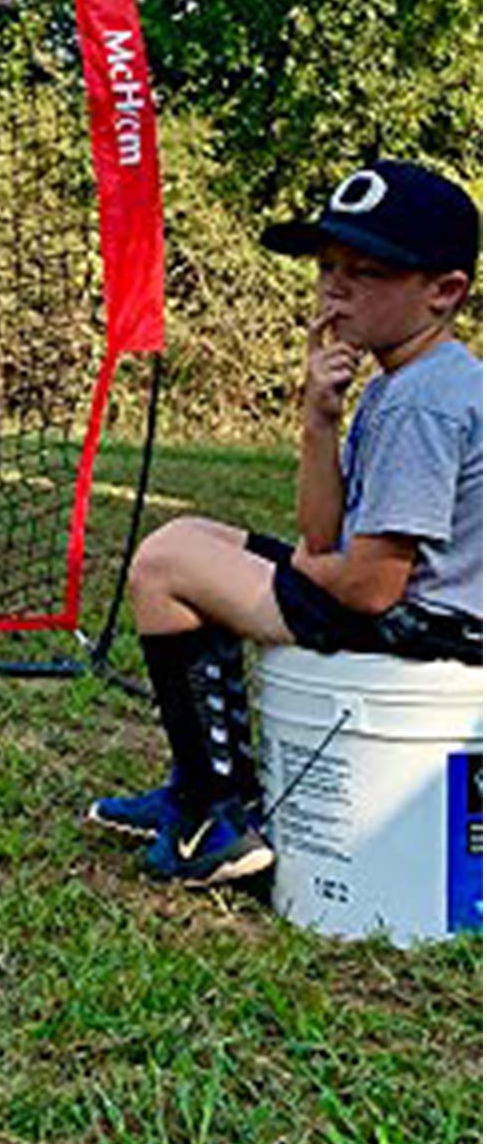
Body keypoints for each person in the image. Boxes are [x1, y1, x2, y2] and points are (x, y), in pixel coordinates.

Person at [87, 159, 482, 890]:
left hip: (428, 627)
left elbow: (368, 588)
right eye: (327, 266)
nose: (334, 289)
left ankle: (216, 817)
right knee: (195, 537)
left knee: (166, 565)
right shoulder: (404, 382)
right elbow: (323, 533)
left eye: (366, 272)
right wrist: (318, 418)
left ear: (445, 291)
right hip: (405, 605)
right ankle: (199, 787)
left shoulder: (423, 403)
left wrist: (305, 566)